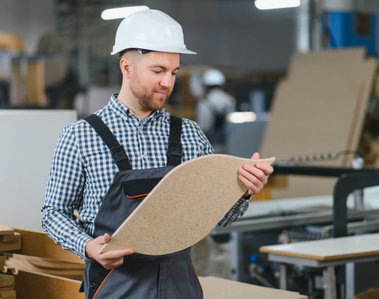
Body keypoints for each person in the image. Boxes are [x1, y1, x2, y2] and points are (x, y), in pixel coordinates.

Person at [41, 9, 273, 299]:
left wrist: (242, 190)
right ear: (126, 67)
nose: (168, 82)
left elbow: (220, 218)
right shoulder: (80, 136)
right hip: (115, 285)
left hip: (180, 286)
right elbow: (53, 213)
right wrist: (88, 247)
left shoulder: (189, 135)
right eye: (158, 71)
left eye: (174, 72)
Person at [196, 68, 235, 151]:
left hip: (209, 144)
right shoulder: (229, 100)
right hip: (227, 142)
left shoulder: (204, 103)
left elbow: (203, 127)